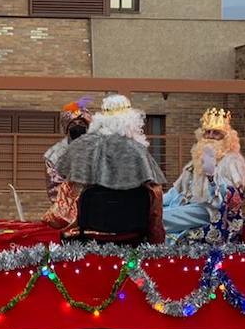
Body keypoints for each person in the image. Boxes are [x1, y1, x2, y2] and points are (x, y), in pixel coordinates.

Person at [56, 94, 166, 244]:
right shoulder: (139, 151)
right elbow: (155, 197)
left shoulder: (80, 147)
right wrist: (156, 240)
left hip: (86, 236)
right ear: (131, 121)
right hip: (133, 236)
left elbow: (65, 202)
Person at [164, 107, 245, 240]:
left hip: (209, 210)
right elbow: (177, 190)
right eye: (207, 132)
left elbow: (229, 197)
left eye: (216, 133)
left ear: (226, 137)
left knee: (162, 219)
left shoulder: (232, 161)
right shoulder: (196, 161)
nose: (210, 136)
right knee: (154, 214)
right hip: (186, 205)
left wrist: (212, 177)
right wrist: (155, 202)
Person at [40, 99, 91, 230]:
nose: (78, 126)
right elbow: (55, 192)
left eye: (81, 123)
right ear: (67, 128)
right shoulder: (54, 155)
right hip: (67, 207)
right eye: (74, 123)